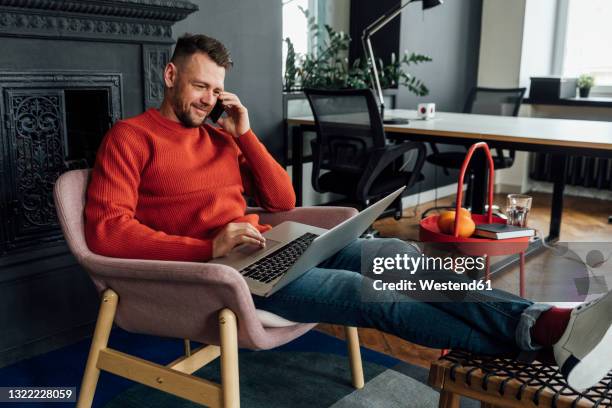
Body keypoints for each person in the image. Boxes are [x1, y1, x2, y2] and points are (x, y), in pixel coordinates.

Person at [85, 33, 612, 392]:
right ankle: (544, 340)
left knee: (399, 257)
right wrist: (208, 248)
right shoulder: (130, 138)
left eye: (216, 90)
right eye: (199, 86)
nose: (208, 100)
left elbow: (283, 202)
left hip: (267, 249)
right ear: (170, 73)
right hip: (218, 276)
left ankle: (545, 330)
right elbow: (108, 233)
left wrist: (244, 135)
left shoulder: (222, 136)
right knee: (368, 294)